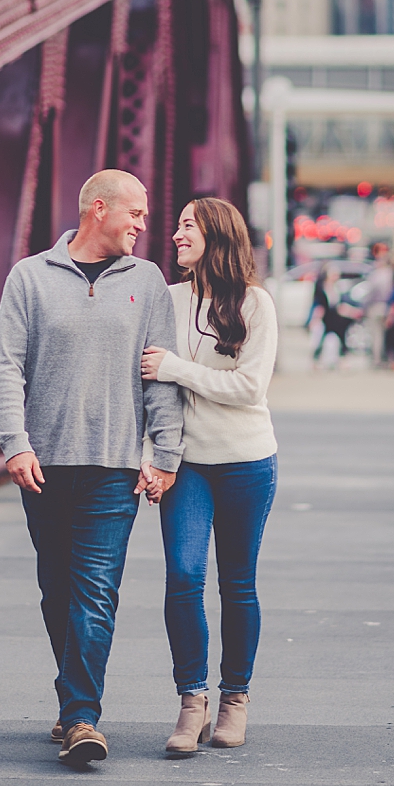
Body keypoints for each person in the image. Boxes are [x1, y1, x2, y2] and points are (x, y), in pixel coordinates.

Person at [0, 169, 184, 767]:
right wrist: (14, 443)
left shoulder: (147, 281)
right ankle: (72, 693)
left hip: (114, 466)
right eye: (137, 213)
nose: (144, 225)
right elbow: (7, 366)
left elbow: (160, 372)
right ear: (98, 209)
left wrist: (165, 455)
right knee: (57, 590)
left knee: (95, 592)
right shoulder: (29, 276)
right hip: (44, 465)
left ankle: (81, 717)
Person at [140, 197, 279, 757]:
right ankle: (191, 701)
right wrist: (151, 454)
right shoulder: (165, 301)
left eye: (187, 225)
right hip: (187, 465)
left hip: (247, 461)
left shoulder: (256, 304)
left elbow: (250, 388)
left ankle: (235, 700)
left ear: (217, 234)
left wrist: (176, 367)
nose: (174, 234)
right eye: (175, 226)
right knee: (183, 575)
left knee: (237, 584)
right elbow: (147, 388)